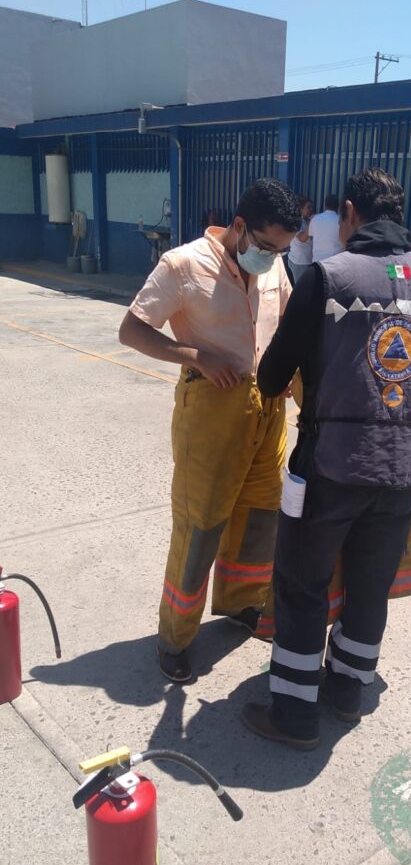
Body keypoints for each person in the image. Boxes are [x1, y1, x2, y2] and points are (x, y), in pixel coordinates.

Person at [240, 168, 411, 750]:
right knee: (369, 585)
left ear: (350, 213)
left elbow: (272, 375)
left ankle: (293, 713)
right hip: (400, 469)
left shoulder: (328, 277)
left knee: (302, 583)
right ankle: (348, 690)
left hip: (329, 466)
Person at [119, 178, 301, 682]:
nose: (272, 257)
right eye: (266, 246)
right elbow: (132, 330)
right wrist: (197, 355)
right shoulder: (182, 264)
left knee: (259, 517)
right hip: (211, 409)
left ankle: (242, 602)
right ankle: (176, 636)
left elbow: (286, 323)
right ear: (239, 226)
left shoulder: (272, 263)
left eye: (282, 250)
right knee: (199, 527)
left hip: (267, 408)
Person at [287, 196, 314, 284]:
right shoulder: (297, 222)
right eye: (308, 207)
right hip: (300, 262)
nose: (311, 210)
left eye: (311, 207)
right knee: (301, 288)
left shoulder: (304, 221)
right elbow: (302, 238)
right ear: (301, 209)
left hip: (304, 261)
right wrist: (312, 221)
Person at [308, 193, 342, 262]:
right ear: (338, 206)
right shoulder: (341, 221)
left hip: (317, 261)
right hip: (335, 262)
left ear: (325, 205)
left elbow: (311, 236)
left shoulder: (315, 219)